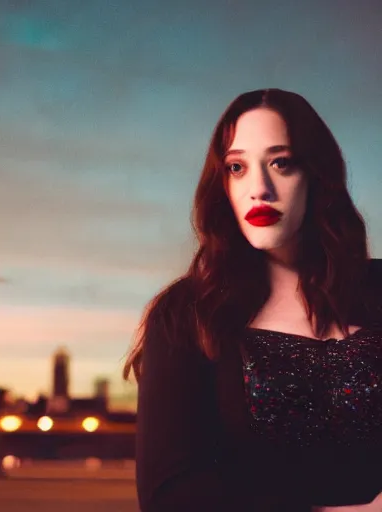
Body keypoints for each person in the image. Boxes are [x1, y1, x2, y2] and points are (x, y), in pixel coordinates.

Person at [123, 89, 382, 512]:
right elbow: (168, 497)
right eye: (237, 168)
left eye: (281, 163)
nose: (259, 189)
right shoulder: (187, 313)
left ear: (317, 175)